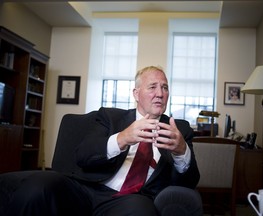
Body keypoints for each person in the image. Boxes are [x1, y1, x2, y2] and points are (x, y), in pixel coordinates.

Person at [3, 66, 202, 216]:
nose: (160, 93)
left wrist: (181, 151)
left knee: (141, 211)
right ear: (136, 93)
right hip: (86, 188)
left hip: (131, 199)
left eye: (165, 87)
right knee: (38, 186)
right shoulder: (110, 117)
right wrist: (123, 138)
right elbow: (83, 154)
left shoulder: (179, 129)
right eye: (152, 87)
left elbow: (190, 181)